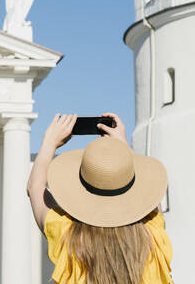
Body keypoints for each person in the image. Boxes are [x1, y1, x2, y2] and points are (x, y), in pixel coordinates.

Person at [27, 113, 174, 284]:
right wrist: (122, 148)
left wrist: (50, 142)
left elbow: (35, 187)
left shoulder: (67, 234)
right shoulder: (153, 232)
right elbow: (150, 197)